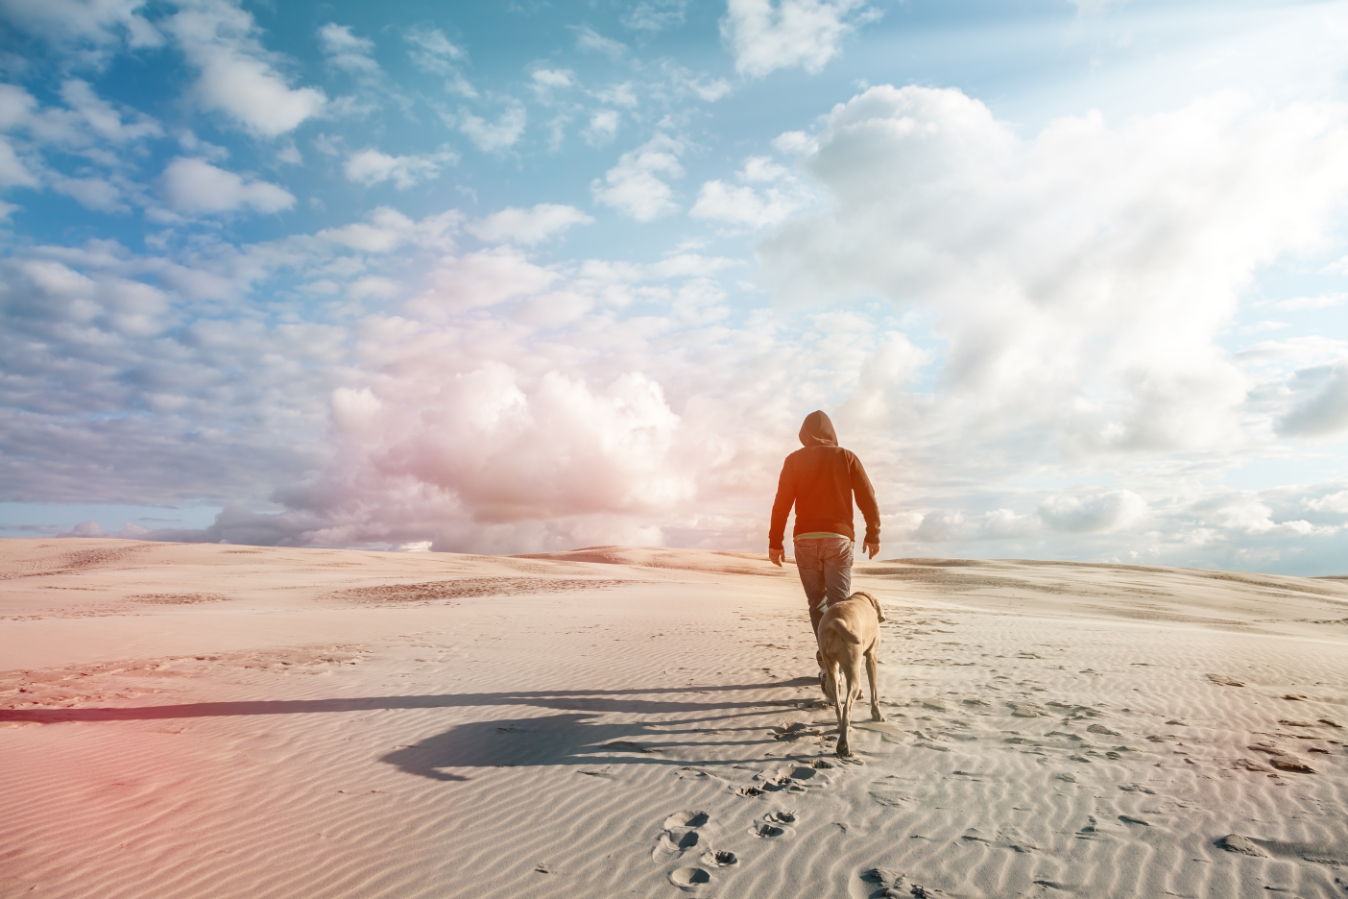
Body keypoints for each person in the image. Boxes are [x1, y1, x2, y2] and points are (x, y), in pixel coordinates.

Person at [768, 411, 881, 641]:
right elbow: (867, 496)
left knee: (816, 604)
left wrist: (775, 542)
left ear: (804, 433)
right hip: (838, 539)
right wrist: (873, 534)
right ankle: (836, 666)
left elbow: (782, 503)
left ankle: (826, 661)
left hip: (804, 540)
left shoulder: (793, 460)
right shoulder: (846, 457)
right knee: (839, 605)